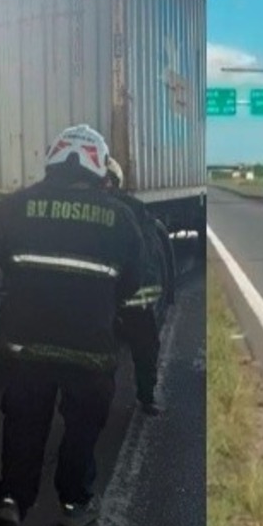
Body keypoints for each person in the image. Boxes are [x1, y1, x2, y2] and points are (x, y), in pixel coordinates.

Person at [0, 124, 148, 526]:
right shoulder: (121, 217)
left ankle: (12, 503)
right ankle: (75, 502)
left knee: (23, 426)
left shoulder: (14, 207)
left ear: (52, 163)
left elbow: (2, 260)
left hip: (25, 346)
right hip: (90, 349)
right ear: (98, 168)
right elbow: (131, 283)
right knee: (81, 430)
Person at [105, 156, 164, 416]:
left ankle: (101, 400)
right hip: (132, 296)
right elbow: (148, 255)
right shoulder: (134, 209)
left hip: (99, 298)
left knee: (99, 351)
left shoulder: (84, 209)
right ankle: (147, 398)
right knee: (145, 347)